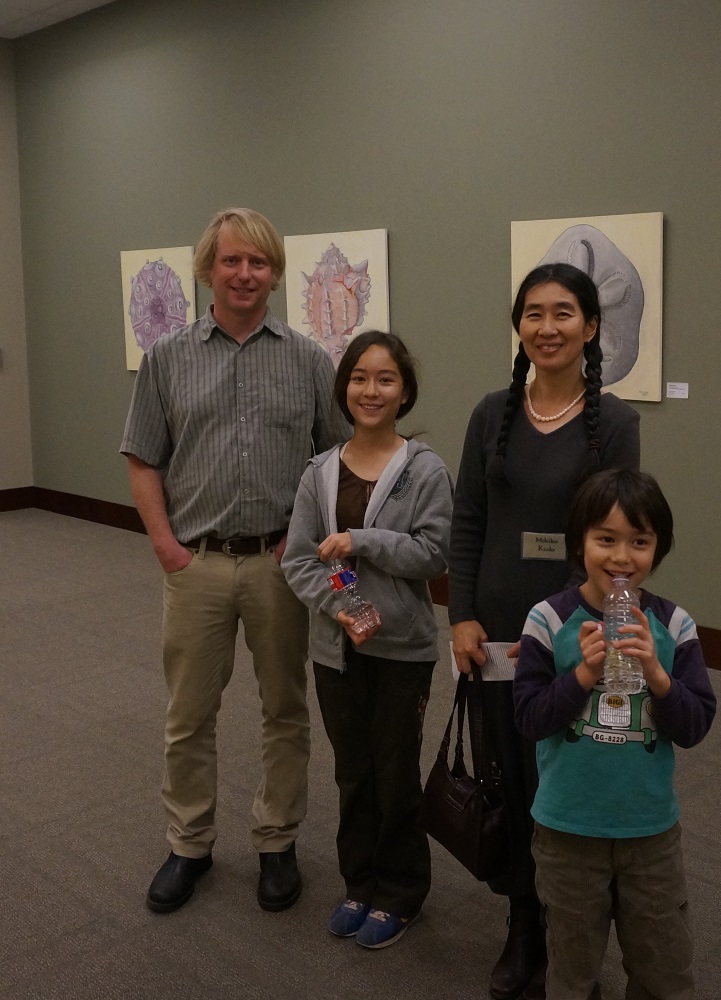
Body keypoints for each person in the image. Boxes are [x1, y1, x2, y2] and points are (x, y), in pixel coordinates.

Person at [120, 207, 349, 914]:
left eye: (258, 262)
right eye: (231, 261)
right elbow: (142, 458)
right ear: (207, 269)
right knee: (189, 715)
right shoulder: (168, 357)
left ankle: (276, 841)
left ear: (274, 273)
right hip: (197, 565)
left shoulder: (308, 359)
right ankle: (189, 843)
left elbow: (336, 461)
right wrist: (165, 547)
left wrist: (304, 540)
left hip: (282, 565)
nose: (245, 274)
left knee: (285, 709)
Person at [448, 263, 641, 999]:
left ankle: (572, 927)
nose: (547, 327)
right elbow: (469, 520)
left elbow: (619, 540)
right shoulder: (489, 412)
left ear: (590, 327)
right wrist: (460, 614)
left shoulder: (614, 423)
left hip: (573, 635)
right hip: (496, 629)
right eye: (533, 313)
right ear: (519, 326)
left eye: (563, 313)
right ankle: (521, 920)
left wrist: (591, 633)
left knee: (564, 778)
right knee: (509, 771)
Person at [513, 469, 717, 1000]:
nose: (622, 557)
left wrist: (658, 675)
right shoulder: (546, 619)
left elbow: (695, 726)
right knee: (573, 965)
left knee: (664, 966)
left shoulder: (674, 625)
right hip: (567, 829)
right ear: (579, 542)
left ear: (658, 548)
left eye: (639, 542)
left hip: (648, 830)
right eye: (605, 539)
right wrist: (581, 674)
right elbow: (529, 719)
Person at [281, 331, 453, 949]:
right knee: (353, 772)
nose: (371, 390)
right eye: (359, 378)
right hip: (336, 651)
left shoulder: (425, 470)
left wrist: (363, 541)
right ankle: (360, 883)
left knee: (395, 772)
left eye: (385, 379)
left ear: (404, 391)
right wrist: (342, 607)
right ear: (343, 388)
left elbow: (434, 554)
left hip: (402, 651)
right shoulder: (320, 473)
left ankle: (400, 893)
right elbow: (299, 560)